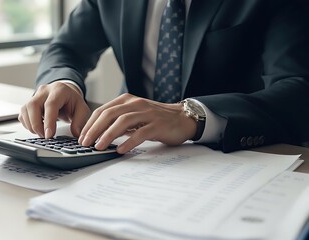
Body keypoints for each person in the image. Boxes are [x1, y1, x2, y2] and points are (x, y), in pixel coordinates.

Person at [19, 0, 309, 154]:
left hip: (240, 155)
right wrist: (62, 82)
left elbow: (298, 90)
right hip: (130, 153)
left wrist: (195, 116)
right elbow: (66, 48)